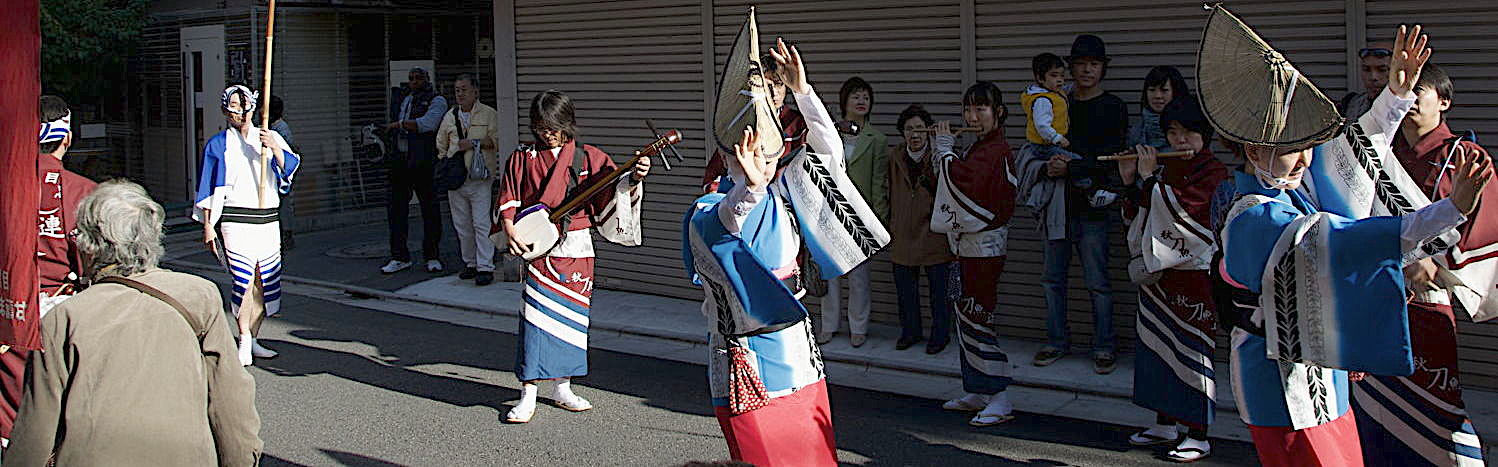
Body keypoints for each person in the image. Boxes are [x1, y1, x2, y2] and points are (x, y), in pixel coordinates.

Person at [1204, 15, 1486, 464]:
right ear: (1254, 151)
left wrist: (1394, 96)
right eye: (1291, 147)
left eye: (1308, 144)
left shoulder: (1290, 190)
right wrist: (1450, 211)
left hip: (1321, 376)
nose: (1304, 159)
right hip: (1278, 384)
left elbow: (1350, 155)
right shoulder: (1253, 218)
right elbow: (1354, 239)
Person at [683, 37, 887, 466]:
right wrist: (751, 186)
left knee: (811, 450)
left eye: (773, 92)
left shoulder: (790, 182)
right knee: (761, 454)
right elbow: (723, 226)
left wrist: (804, 91)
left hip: (792, 340)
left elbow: (831, 155)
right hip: (744, 348)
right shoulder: (712, 203)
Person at [7, 180, 262, 466]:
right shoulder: (198, 295)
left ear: (90, 246)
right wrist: (241, 459)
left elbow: (36, 426)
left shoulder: (64, 318)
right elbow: (230, 399)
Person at [1353, 63, 1495, 466]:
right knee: (1371, 404)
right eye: (1406, 91)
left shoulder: (1465, 156)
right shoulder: (1377, 153)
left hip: (1429, 301)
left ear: (1444, 101)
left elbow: (1485, 229)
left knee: (1435, 404)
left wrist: (1439, 264)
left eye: (1422, 91)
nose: (1412, 99)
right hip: (1376, 295)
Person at [495, 89, 649, 423]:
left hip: (577, 246)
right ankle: (529, 392)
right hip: (540, 247)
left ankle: (563, 386)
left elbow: (613, 190)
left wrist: (635, 177)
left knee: (572, 321)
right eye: (541, 125)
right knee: (536, 319)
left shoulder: (587, 157)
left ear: (567, 122)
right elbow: (508, 196)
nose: (547, 132)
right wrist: (509, 228)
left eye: (552, 125)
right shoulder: (523, 157)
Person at [1117, 95, 1228, 463]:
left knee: (1192, 351)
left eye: (1188, 133)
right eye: (1173, 133)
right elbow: (1142, 212)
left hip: (1193, 277)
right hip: (1159, 274)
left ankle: (1198, 432)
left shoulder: (1214, 172)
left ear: (1204, 134)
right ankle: (1163, 422)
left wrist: (1148, 180)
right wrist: (1132, 180)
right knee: (1155, 347)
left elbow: (1187, 214)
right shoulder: (1167, 170)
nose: (1180, 141)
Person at [0, 96, 98, 447]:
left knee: (12, 410)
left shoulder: (7, 184)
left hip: (9, 307)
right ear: (67, 138)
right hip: (65, 309)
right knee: (63, 402)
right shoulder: (85, 193)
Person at [1033, 34, 1129, 373]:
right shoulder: (1056, 103)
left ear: (1103, 69)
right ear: (1070, 68)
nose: (1087, 70)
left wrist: (1072, 166)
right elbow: (1037, 146)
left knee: (1098, 281)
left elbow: (1114, 156)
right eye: (1081, 64)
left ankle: (1104, 346)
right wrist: (1047, 166)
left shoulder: (1113, 107)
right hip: (1057, 204)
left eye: (1094, 64)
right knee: (1052, 280)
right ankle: (1055, 341)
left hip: (1094, 208)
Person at [193, 84, 301, 367]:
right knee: (243, 279)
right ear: (226, 111)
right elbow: (207, 186)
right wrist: (207, 226)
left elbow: (289, 168)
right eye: (234, 109)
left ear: (253, 108)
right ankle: (242, 338)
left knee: (265, 280)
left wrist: (275, 148)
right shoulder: (218, 144)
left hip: (266, 218)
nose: (240, 114)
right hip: (235, 218)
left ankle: (253, 337)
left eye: (244, 108)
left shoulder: (269, 136)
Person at [932, 81, 1018, 427]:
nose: (972, 117)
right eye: (968, 109)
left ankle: (999, 396)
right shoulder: (981, 148)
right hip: (965, 250)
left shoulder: (995, 151)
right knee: (965, 317)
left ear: (998, 113)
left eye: (981, 109)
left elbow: (965, 185)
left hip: (983, 250)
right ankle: (979, 389)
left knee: (978, 316)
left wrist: (945, 153)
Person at [818, 76, 887, 347]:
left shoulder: (877, 139)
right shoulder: (828, 133)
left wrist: (878, 219)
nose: (861, 101)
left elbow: (879, 182)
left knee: (859, 278)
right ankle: (829, 325)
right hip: (827, 212)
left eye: (866, 97)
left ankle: (859, 326)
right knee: (830, 275)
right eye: (856, 96)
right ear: (845, 100)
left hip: (860, 215)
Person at [888, 104, 956, 354]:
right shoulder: (895, 157)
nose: (914, 135)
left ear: (929, 131)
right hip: (903, 231)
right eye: (908, 129)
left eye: (919, 129)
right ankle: (910, 332)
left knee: (940, 290)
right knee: (906, 291)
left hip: (935, 232)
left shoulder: (940, 156)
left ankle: (941, 334)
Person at [382, 66, 448, 274]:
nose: (414, 81)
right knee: (396, 209)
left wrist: (400, 124)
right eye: (411, 78)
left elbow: (428, 124)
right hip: (400, 160)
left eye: (419, 78)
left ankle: (432, 255)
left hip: (423, 162)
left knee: (429, 209)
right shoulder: (403, 98)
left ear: (427, 79)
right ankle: (399, 256)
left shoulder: (436, 100)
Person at [436, 74, 500, 286]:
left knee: (481, 222)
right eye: (457, 90)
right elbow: (441, 143)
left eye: (464, 89)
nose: (460, 94)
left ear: (475, 92)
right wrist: (446, 162)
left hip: (479, 177)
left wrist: (473, 143)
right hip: (456, 178)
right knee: (462, 224)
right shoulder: (450, 115)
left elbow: (497, 140)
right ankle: (470, 263)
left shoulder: (489, 113)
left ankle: (485, 266)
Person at [1127, 66, 1191, 152]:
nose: (1157, 96)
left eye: (1164, 90)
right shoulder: (1137, 132)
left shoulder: (1190, 130)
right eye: (1152, 90)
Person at [265, 95, 296, 250]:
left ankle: (286, 234)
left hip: (280, 174)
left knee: (284, 206)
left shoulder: (280, 129)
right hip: (273, 174)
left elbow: (288, 152)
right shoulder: (273, 127)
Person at [1338, 40, 1393, 120]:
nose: (1373, 77)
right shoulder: (1351, 105)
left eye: (1382, 70)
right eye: (1366, 69)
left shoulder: (1409, 108)